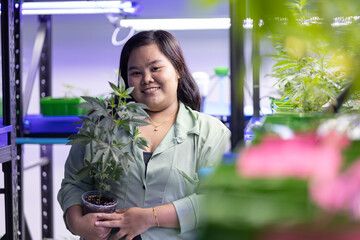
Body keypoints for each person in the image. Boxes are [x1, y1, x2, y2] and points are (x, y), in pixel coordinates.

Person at [57, 30, 231, 240]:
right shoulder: (101, 126)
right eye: (136, 73)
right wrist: (77, 224)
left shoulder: (211, 132)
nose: (147, 79)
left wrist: (151, 217)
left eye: (155, 68)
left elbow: (220, 199)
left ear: (178, 70)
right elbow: (75, 184)